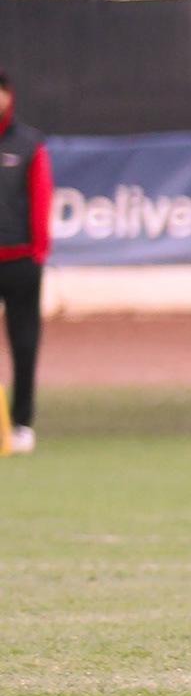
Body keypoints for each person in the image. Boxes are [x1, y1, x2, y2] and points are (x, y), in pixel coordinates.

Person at [0, 68, 44, 456]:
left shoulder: (28, 144)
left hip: (19, 262)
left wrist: (38, 252)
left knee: (24, 344)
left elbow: (42, 197)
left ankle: (22, 422)